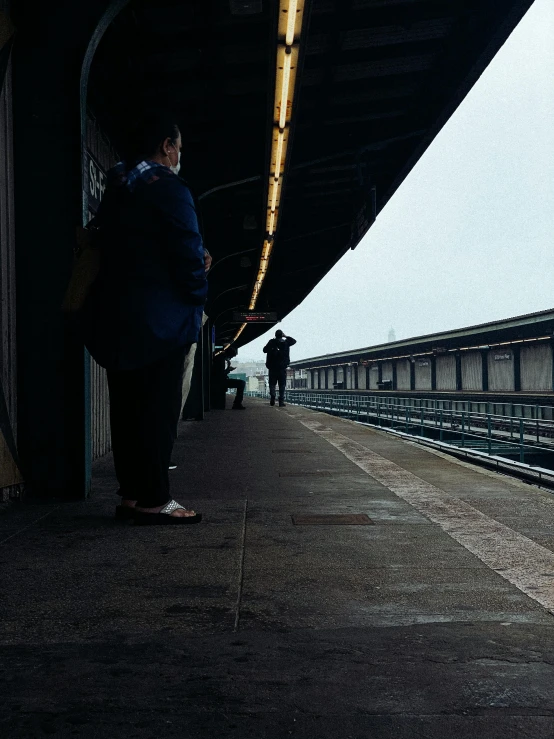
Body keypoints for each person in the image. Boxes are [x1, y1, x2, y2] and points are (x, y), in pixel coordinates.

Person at [82, 112, 207, 525]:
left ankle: (133, 496)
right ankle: (155, 499)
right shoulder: (167, 187)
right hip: (161, 324)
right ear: (166, 147)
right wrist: (198, 288)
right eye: (179, 148)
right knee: (157, 413)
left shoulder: (117, 189)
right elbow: (187, 249)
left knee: (128, 413)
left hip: (117, 320)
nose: (179, 156)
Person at [263, 329, 296, 407]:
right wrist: (286, 336)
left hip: (272, 368)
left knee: (272, 384)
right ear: (282, 335)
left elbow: (264, 350)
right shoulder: (286, 342)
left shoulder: (271, 342)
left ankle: (273, 397)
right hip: (282, 368)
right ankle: (281, 401)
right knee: (282, 385)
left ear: (275, 335)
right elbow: (294, 341)